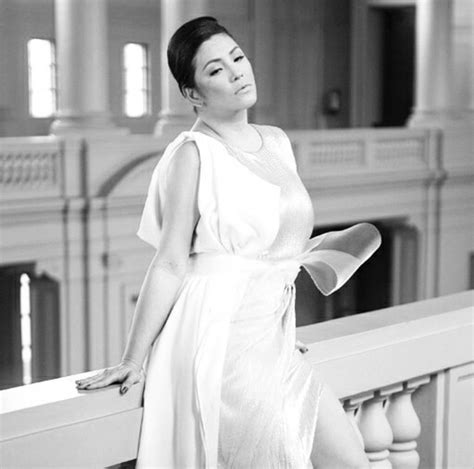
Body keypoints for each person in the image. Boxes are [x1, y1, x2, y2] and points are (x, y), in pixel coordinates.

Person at [76, 16, 380, 468]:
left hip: (269, 342)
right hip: (221, 345)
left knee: (352, 458)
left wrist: (277, 327)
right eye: (216, 69)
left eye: (237, 57)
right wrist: (133, 359)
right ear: (193, 94)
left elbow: (276, 250)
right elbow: (171, 263)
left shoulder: (276, 142)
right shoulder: (192, 154)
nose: (238, 72)